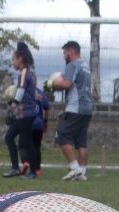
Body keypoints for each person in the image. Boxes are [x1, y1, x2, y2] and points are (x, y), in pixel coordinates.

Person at [50, 41, 92, 181]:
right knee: (81, 141)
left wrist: (52, 84)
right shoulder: (85, 65)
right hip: (87, 109)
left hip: (75, 107)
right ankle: (82, 172)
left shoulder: (72, 65)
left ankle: (74, 168)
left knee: (62, 134)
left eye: (64, 52)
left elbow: (67, 84)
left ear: (71, 51)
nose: (64, 56)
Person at [2, 42, 39, 179]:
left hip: (26, 113)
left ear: (20, 59)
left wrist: (13, 105)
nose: (13, 62)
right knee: (9, 137)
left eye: (14, 59)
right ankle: (15, 168)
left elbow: (22, 90)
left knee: (27, 142)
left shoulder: (24, 72)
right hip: (22, 113)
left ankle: (33, 172)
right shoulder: (30, 72)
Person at [32, 88, 50, 175]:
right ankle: (37, 169)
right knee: (37, 146)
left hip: (28, 123)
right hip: (39, 124)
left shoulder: (25, 91)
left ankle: (27, 164)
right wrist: (45, 122)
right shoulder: (41, 93)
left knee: (25, 145)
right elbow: (46, 108)